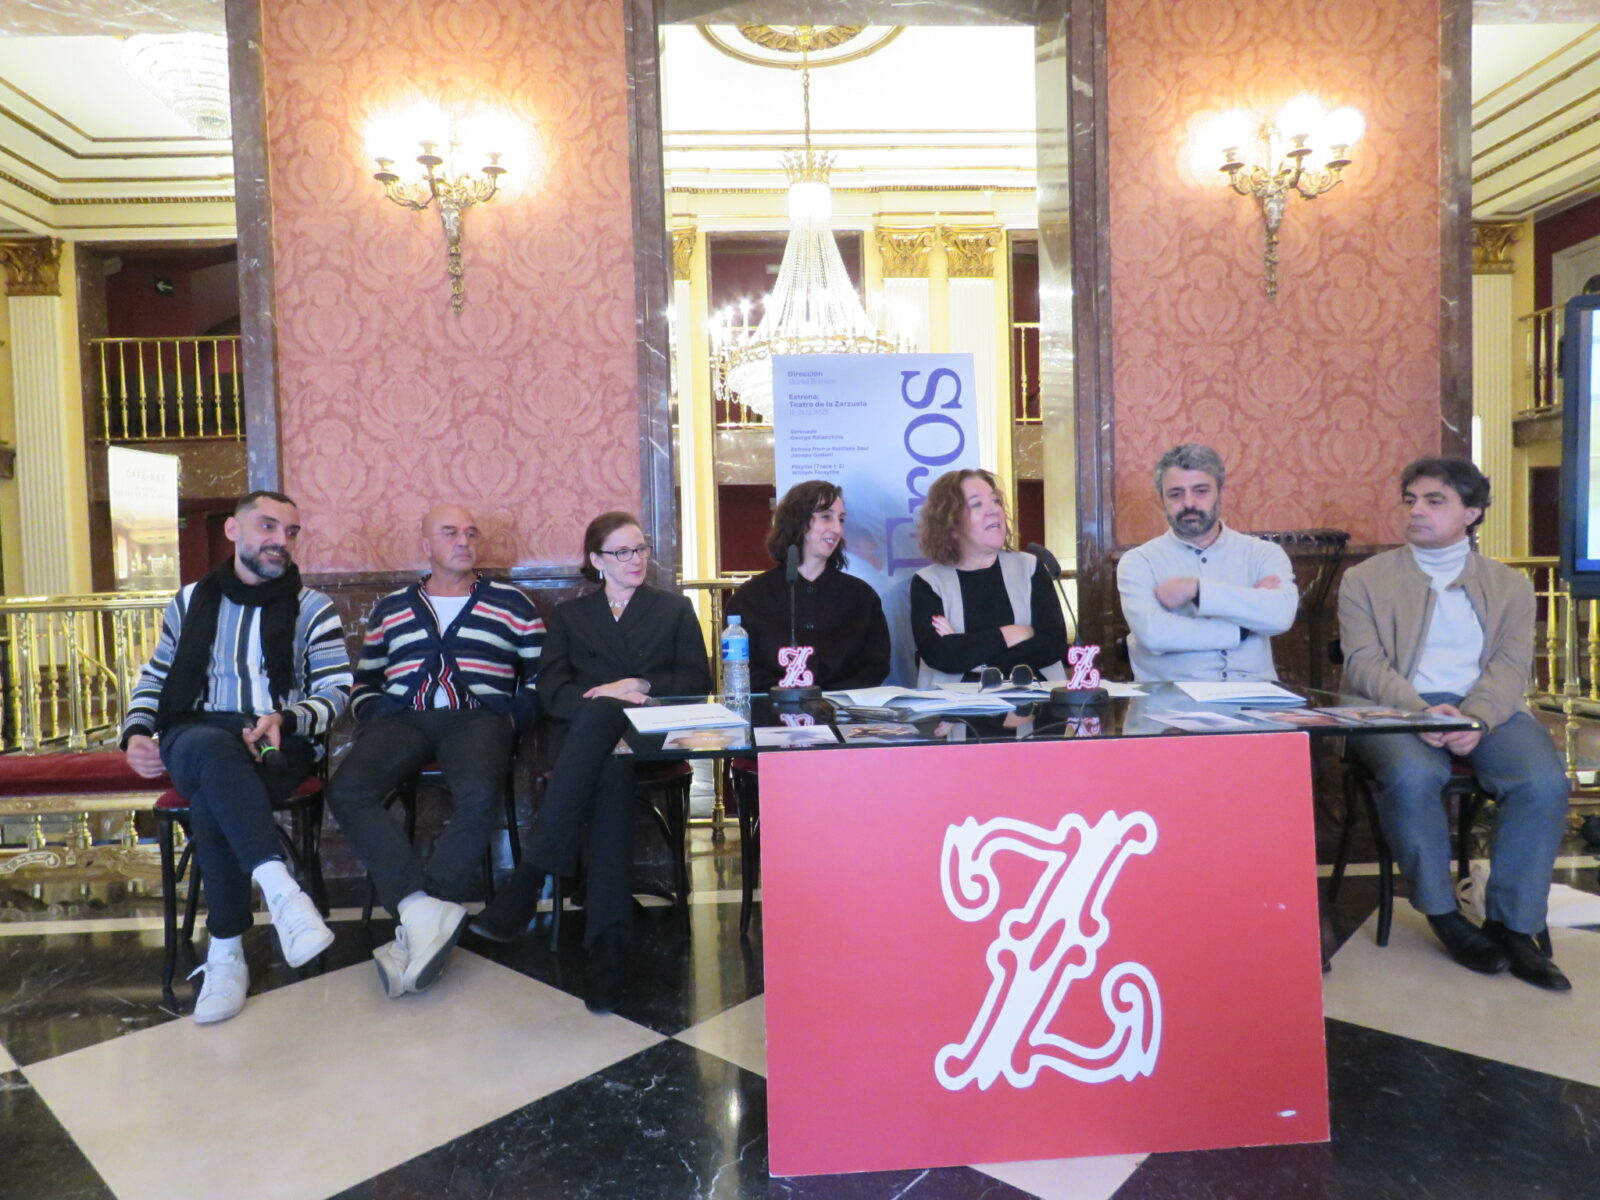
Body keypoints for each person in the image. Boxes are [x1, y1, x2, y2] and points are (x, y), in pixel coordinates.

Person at [1340, 458, 1572, 990]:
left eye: (1434, 500)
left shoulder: (1510, 585)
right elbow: (1364, 664)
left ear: (1472, 512)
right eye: (1411, 500)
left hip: (1485, 709)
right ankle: (1444, 915)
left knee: (1541, 781)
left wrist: (1479, 717)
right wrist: (1418, 709)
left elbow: (1511, 667)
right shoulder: (1364, 579)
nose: (1416, 511)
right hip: (1394, 709)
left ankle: (1513, 926)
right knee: (1414, 775)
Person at [120, 491, 351, 1024]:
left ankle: (226, 953)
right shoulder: (189, 602)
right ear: (233, 530)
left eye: (290, 531)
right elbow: (157, 677)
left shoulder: (312, 607)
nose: (280, 540)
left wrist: (286, 718)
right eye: (267, 526)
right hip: (195, 732)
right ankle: (283, 893)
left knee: (212, 801)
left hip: (276, 740)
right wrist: (136, 731)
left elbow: (336, 690)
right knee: (210, 747)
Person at [469, 512, 711, 1012]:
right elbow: (552, 689)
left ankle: (531, 879)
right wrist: (601, 703)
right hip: (591, 742)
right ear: (597, 560)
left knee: (606, 725)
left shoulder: (672, 609)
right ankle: (609, 946)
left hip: (653, 732)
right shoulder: (572, 616)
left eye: (640, 549)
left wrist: (637, 686)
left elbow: (696, 681)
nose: (635, 560)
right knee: (607, 764)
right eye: (622, 552)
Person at [325, 504, 545, 999]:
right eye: (450, 533)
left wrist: (511, 718)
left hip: (478, 719)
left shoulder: (513, 603)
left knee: (479, 794)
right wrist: (375, 714)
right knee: (348, 789)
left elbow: (542, 677)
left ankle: (423, 920)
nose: (463, 541)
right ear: (426, 544)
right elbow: (365, 680)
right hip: (402, 718)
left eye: (471, 532)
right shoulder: (392, 607)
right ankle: (419, 908)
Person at [1117, 442, 1297, 682]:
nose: (1189, 503)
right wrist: (1243, 628)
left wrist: (1197, 590)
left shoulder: (1263, 554)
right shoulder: (1139, 562)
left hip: (1257, 697)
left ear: (1219, 493)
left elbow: (1280, 616)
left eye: (1201, 491)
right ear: (1162, 499)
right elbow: (1153, 633)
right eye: (1176, 494)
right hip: (1173, 699)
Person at [726, 479, 890, 692]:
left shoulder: (861, 597)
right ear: (798, 521)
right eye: (826, 517)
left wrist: (828, 698)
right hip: (773, 709)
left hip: (842, 710)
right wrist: (786, 694)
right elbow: (743, 670)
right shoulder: (750, 598)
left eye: (841, 519)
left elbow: (875, 667)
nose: (837, 529)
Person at [910, 468, 1067, 686]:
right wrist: (1010, 634)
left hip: (1031, 700)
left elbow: (1052, 645)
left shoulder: (1030, 567)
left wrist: (972, 655)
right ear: (951, 524)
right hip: (956, 705)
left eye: (995, 501)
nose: (993, 510)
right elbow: (940, 654)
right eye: (977, 504)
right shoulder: (929, 582)